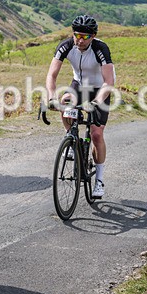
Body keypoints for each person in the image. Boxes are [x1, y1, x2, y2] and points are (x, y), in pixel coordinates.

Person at [45, 15, 115, 199]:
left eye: (85, 36)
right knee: (65, 100)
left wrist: (96, 102)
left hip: (100, 89)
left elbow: (109, 82)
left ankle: (99, 180)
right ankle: (71, 137)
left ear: (93, 36)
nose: (80, 40)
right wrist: (51, 98)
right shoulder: (66, 46)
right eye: (77, 35)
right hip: (79, 85)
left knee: (96, 134)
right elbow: (51, 75)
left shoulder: (101, 49)